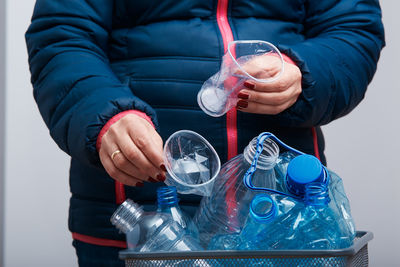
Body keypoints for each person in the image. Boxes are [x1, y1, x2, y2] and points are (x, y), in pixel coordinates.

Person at [25, 0, 385, 266]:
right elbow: (62, 35)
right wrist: (104, 115)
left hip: (283, 218)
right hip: (138, 219)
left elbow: (352, 27)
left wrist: (303, 73)